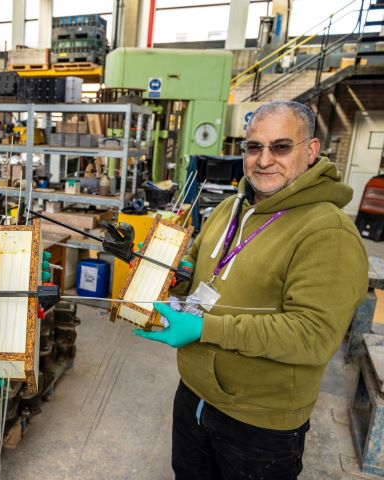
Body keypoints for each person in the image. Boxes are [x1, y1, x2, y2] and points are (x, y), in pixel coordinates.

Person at [135, 100, 368, 479]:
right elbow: (197, 271)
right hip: (194, 394)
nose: (263, 160)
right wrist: (165, 272)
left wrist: (204, 329)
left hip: (259, 422)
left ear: (310, 151)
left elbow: (313, 336)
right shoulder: (229, 208)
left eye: (280, 147)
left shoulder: (327, 232)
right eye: (254, 147)